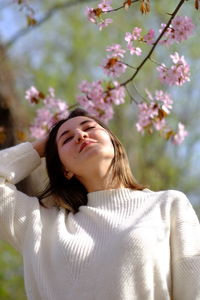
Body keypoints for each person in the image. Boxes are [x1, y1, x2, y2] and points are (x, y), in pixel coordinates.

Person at [0, 107, 200, 300]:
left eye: (89, 128)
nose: (81, 135)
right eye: (67, 139)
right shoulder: (41, 226)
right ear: (64, 169)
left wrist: (61, 139)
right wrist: (41, 147)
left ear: (113, 142)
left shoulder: (167, 205)